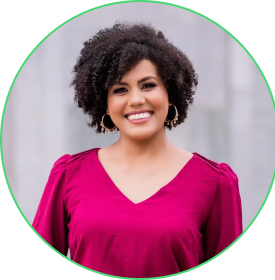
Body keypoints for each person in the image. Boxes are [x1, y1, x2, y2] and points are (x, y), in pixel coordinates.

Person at [32, 22, 243, 278]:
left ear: (170, 92)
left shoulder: (216, 183)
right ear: (104, 104)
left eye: (148, 85)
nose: (136, 100)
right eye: (120, 90)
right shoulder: (68, 175)